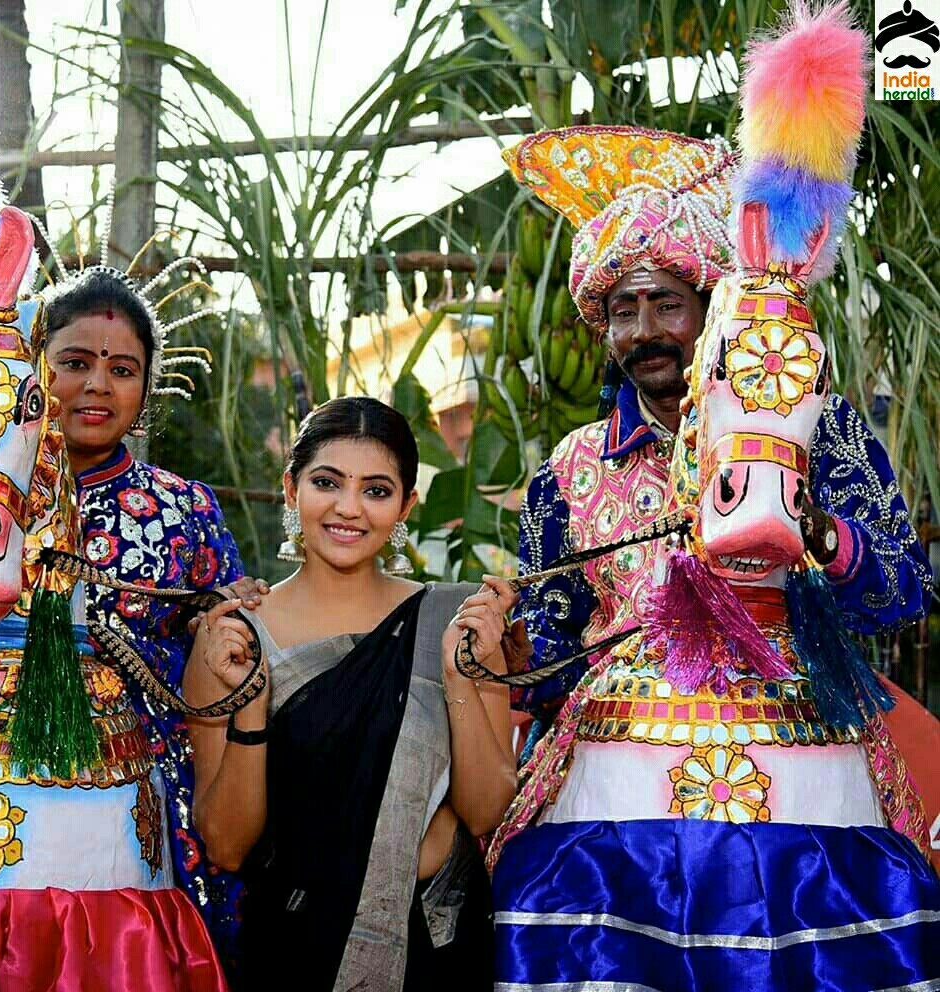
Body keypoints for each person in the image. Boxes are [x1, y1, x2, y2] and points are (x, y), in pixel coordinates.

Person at [0, 265, 266, 973]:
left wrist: (226, 623)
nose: (98, 385)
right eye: (76, 363)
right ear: (34, 371)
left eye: (123, 370)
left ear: (145, 387)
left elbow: (217, 641)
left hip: (130, 798)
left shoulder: (183, 507)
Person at [508, 125, 932, 727]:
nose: (644, 332)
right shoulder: (570, 471)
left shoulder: (812, 426)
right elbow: (548, 646)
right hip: (623, 751)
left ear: (712, 315)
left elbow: (905, 591)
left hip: (799, 739)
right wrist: (515, 655)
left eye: (667, 305)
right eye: (624, 312)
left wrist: (818, 532)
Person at [184, 397, 517, 992]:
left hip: (436, 946)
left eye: (376, 490)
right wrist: (253, 703)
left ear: (406, 505)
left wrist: (458, 677)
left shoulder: (455, 621)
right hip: (296, 952)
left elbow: (484, 811)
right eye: (327, 482)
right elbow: (228, 847)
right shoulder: (233, 638)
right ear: (291, 489)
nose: (349, 508)